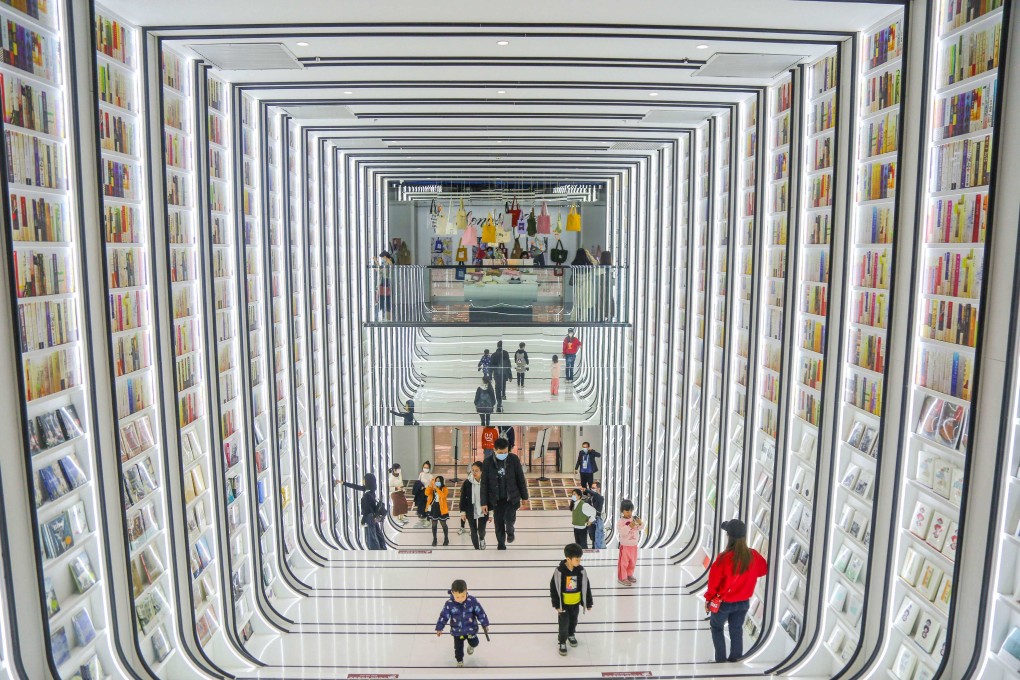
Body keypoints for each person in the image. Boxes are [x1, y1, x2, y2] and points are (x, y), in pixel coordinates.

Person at [705, 519, 768, 663]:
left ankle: (720, 659)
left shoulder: (723, 558)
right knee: (736, 629)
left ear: (729, 536)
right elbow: (763, 570)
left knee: (717, 628)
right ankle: (735, 658)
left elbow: (713, 583)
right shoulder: (753, 555)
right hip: (743, 602)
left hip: (724, 603)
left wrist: (709, 599)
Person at [480, 437, 529, 550]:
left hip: (511, 498)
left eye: (505, 452)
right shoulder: (487, 462)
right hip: (496, 499)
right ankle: (501, 544)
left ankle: (510, 532)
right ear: (494, 450)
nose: (503, 455)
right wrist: (484, 503)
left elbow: (520, 479)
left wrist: (524, 497)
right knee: (498, 523)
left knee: (509, 519)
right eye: (500, 453)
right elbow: (484, 484)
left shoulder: (514, 459)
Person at [549, 543, 593, 656]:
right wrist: (556, 605)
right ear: (568, 559)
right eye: (577, 559)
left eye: (580, 559)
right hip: (563, 605)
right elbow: (554, 588)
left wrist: (588, 603)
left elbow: (586, 586)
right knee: (563, 624)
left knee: (574, 621)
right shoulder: (560, 571)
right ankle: (562, 641)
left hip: (575, 603)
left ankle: (571, 634)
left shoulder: (581, 571)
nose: (579, 561)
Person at [435, 579, 490, 668]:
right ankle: (459, 660)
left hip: (471, 630)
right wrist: (439, 628)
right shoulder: (449, 604)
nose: (460, 599)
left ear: (466, 590)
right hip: (457, 632)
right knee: (458, 649)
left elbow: (480, 612)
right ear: (452, 593)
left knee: (475, 643)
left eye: (463, 596)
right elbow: (444, 616)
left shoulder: (472, 601)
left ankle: (471, 646)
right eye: (457, 597)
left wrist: (485, 624)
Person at [340, 473, 387, 550]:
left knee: (371, 536)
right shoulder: (371, 491)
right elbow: (356, 487)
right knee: (377, 532)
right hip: (374, 515)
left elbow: (366, 510)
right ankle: (382, 547)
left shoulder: (366, 496)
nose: (363, 480)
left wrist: (363, 521)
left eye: (364, 479)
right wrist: (343, 483)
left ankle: (375, 550)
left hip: (369, 517)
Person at [460, 462, 489, 549]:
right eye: (473, 470)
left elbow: (490, 498)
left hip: (483, 510)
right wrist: (463, 512)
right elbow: (462, 498)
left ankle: (482, 539)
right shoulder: (467, 482)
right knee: (473, 530)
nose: (474, 472)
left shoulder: (486, 482)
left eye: (476, 470)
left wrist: (491, 513)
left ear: (481, 471)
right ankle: (476, 548)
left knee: (481, 530)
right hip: (470, 510)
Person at [617, 499, 644, 586]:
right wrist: (629, 526)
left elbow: (640, 528)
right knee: (623, 563)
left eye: (631, 511)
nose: (629, 513)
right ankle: (622, 577)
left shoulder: (634, 519)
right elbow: (622, 533)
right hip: (625, 546)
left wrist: (640, 523)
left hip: (634, 545)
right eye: (627, 511)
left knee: (632, 562)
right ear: (622, 511)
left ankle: (629, 574)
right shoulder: (620, 521)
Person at [425, 475, 451, 546]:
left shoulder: (444, 488)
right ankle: (434, 539)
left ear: (442, 481)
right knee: (434, 525)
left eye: (439, 481)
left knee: (443, 524)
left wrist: (436, 488)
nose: (437, 482)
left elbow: (443, 496)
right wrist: (429, 486)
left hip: (442, 509)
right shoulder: (432, 488)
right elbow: (426, 493)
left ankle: (446, 538)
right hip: (433, 508)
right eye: (436, 481)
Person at [491, 341, 512, 411]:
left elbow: (491, 367)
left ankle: (499, 401)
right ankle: (503, 395)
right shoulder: (505, 353)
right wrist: (510, 375)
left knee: (497, 387)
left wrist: (490, 376)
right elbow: (508, 365)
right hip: (504, 373)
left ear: (497, 346)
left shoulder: (493, 355)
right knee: (503, 384)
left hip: (497, 374)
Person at [585, 482, 606, 549]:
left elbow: (597, 495)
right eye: (591, 488)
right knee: (592, 538)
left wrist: (587, 490)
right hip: (590, 521)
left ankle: (598, 551)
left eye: (593, 488)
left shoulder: (600, 498)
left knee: (598, 538)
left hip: (597, 521)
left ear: (598, 489)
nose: (592, 490)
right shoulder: (590, 499)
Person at [414, 461, 434, 526]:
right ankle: (423, 516)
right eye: (424, 467)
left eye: (427, 467)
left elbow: (432, 485)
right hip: (421, 492)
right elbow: (418, 482)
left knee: (428, 506)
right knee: (421, 505)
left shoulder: (431, 476)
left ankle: (428, 520)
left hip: (428, 492)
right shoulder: (421, 474)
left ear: (429, 468)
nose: (425, 468)